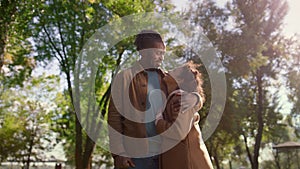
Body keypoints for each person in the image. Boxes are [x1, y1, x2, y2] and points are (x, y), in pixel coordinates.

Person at [108, 30, 200, 169]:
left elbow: (190, 89)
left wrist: (196, 98)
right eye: (158, 53)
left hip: (166, 155)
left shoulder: (167, 78)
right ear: (144, 52)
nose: (162, 57)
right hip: (136, 157)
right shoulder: (124, 77)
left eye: (163, 53)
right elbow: (114, 118)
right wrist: (119, 153)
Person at [155, 62, 214, 169]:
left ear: (180, 80)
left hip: (188, 162)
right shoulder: (179, 97)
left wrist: (158, 121)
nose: (168, 71)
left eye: (174, 71)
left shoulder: (181, 98)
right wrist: (197, 98)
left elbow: (178, 133)